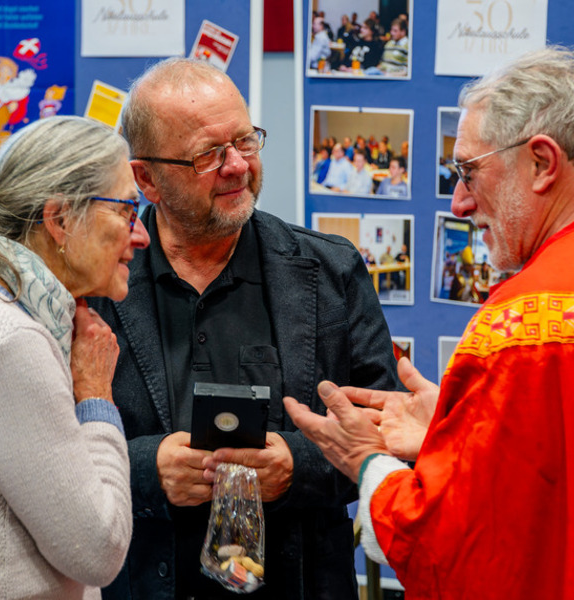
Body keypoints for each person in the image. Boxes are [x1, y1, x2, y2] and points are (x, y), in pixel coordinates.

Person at [88, 57, 402, 600]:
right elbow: (52, 443)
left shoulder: (330, 270)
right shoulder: (92, 287)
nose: (237, 165)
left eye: (246, 141)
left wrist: (295, 466)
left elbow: (388, 429)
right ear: (146, 179)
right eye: (208, 154)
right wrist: (145, 469)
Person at [284, 46, 574, 598]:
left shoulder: (516, 324)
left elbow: (451, 546)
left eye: (468, 172)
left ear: (541, 163)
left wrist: (364, 461)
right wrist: (459, 429)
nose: (459, 203)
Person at [0, 115, 151, 598]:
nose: (142, 237)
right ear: (60, 220)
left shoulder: (1, 312)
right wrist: (95, 396)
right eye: (126, 212)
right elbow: (97, 550)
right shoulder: (11, 338)